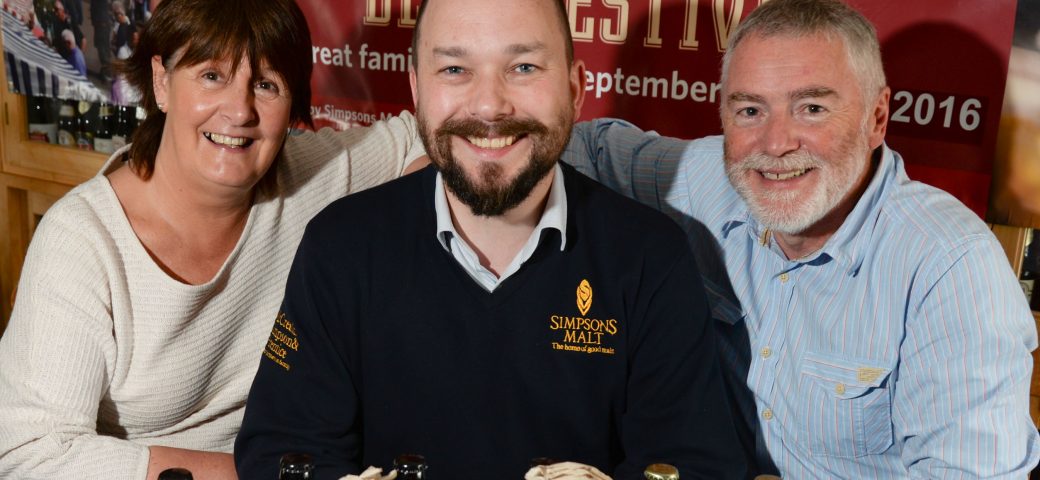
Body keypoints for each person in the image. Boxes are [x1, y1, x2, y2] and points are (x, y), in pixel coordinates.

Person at [233, 0, 746, 478]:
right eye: (455, 69)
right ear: (416, 90)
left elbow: (691, 464)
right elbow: (282, 453)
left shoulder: (650, 257)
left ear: (574, 87)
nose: (489, 105)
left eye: (523, 67)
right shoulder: (341, 247)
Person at [561, 0, 1040, 477]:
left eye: (811, 108)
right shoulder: (704, 180)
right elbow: (587, 148)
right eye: (750, 110)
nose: (776, 144)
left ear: (876, 118)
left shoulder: (951, 268)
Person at [0, 0, 425, 478]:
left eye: (266, 85)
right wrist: (252, 473)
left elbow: (421, 139)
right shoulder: (81, 241)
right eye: (211, 76)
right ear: (161, 81)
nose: (239, 111)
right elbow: (31, 452)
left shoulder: (307, 172)